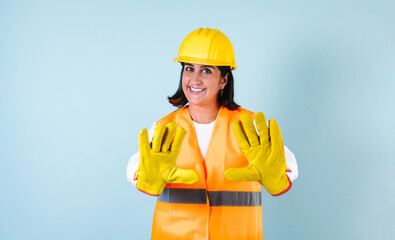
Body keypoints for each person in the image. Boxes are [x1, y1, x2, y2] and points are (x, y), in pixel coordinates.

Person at [126, 28, 298, 240]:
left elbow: (288, 165)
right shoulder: (165, 128)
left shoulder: (249, 126)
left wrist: (276, 173)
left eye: (206, 71)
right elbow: (134, 168)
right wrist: (146, 177)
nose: (195, 79)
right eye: (189, 69)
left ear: (224, 80)